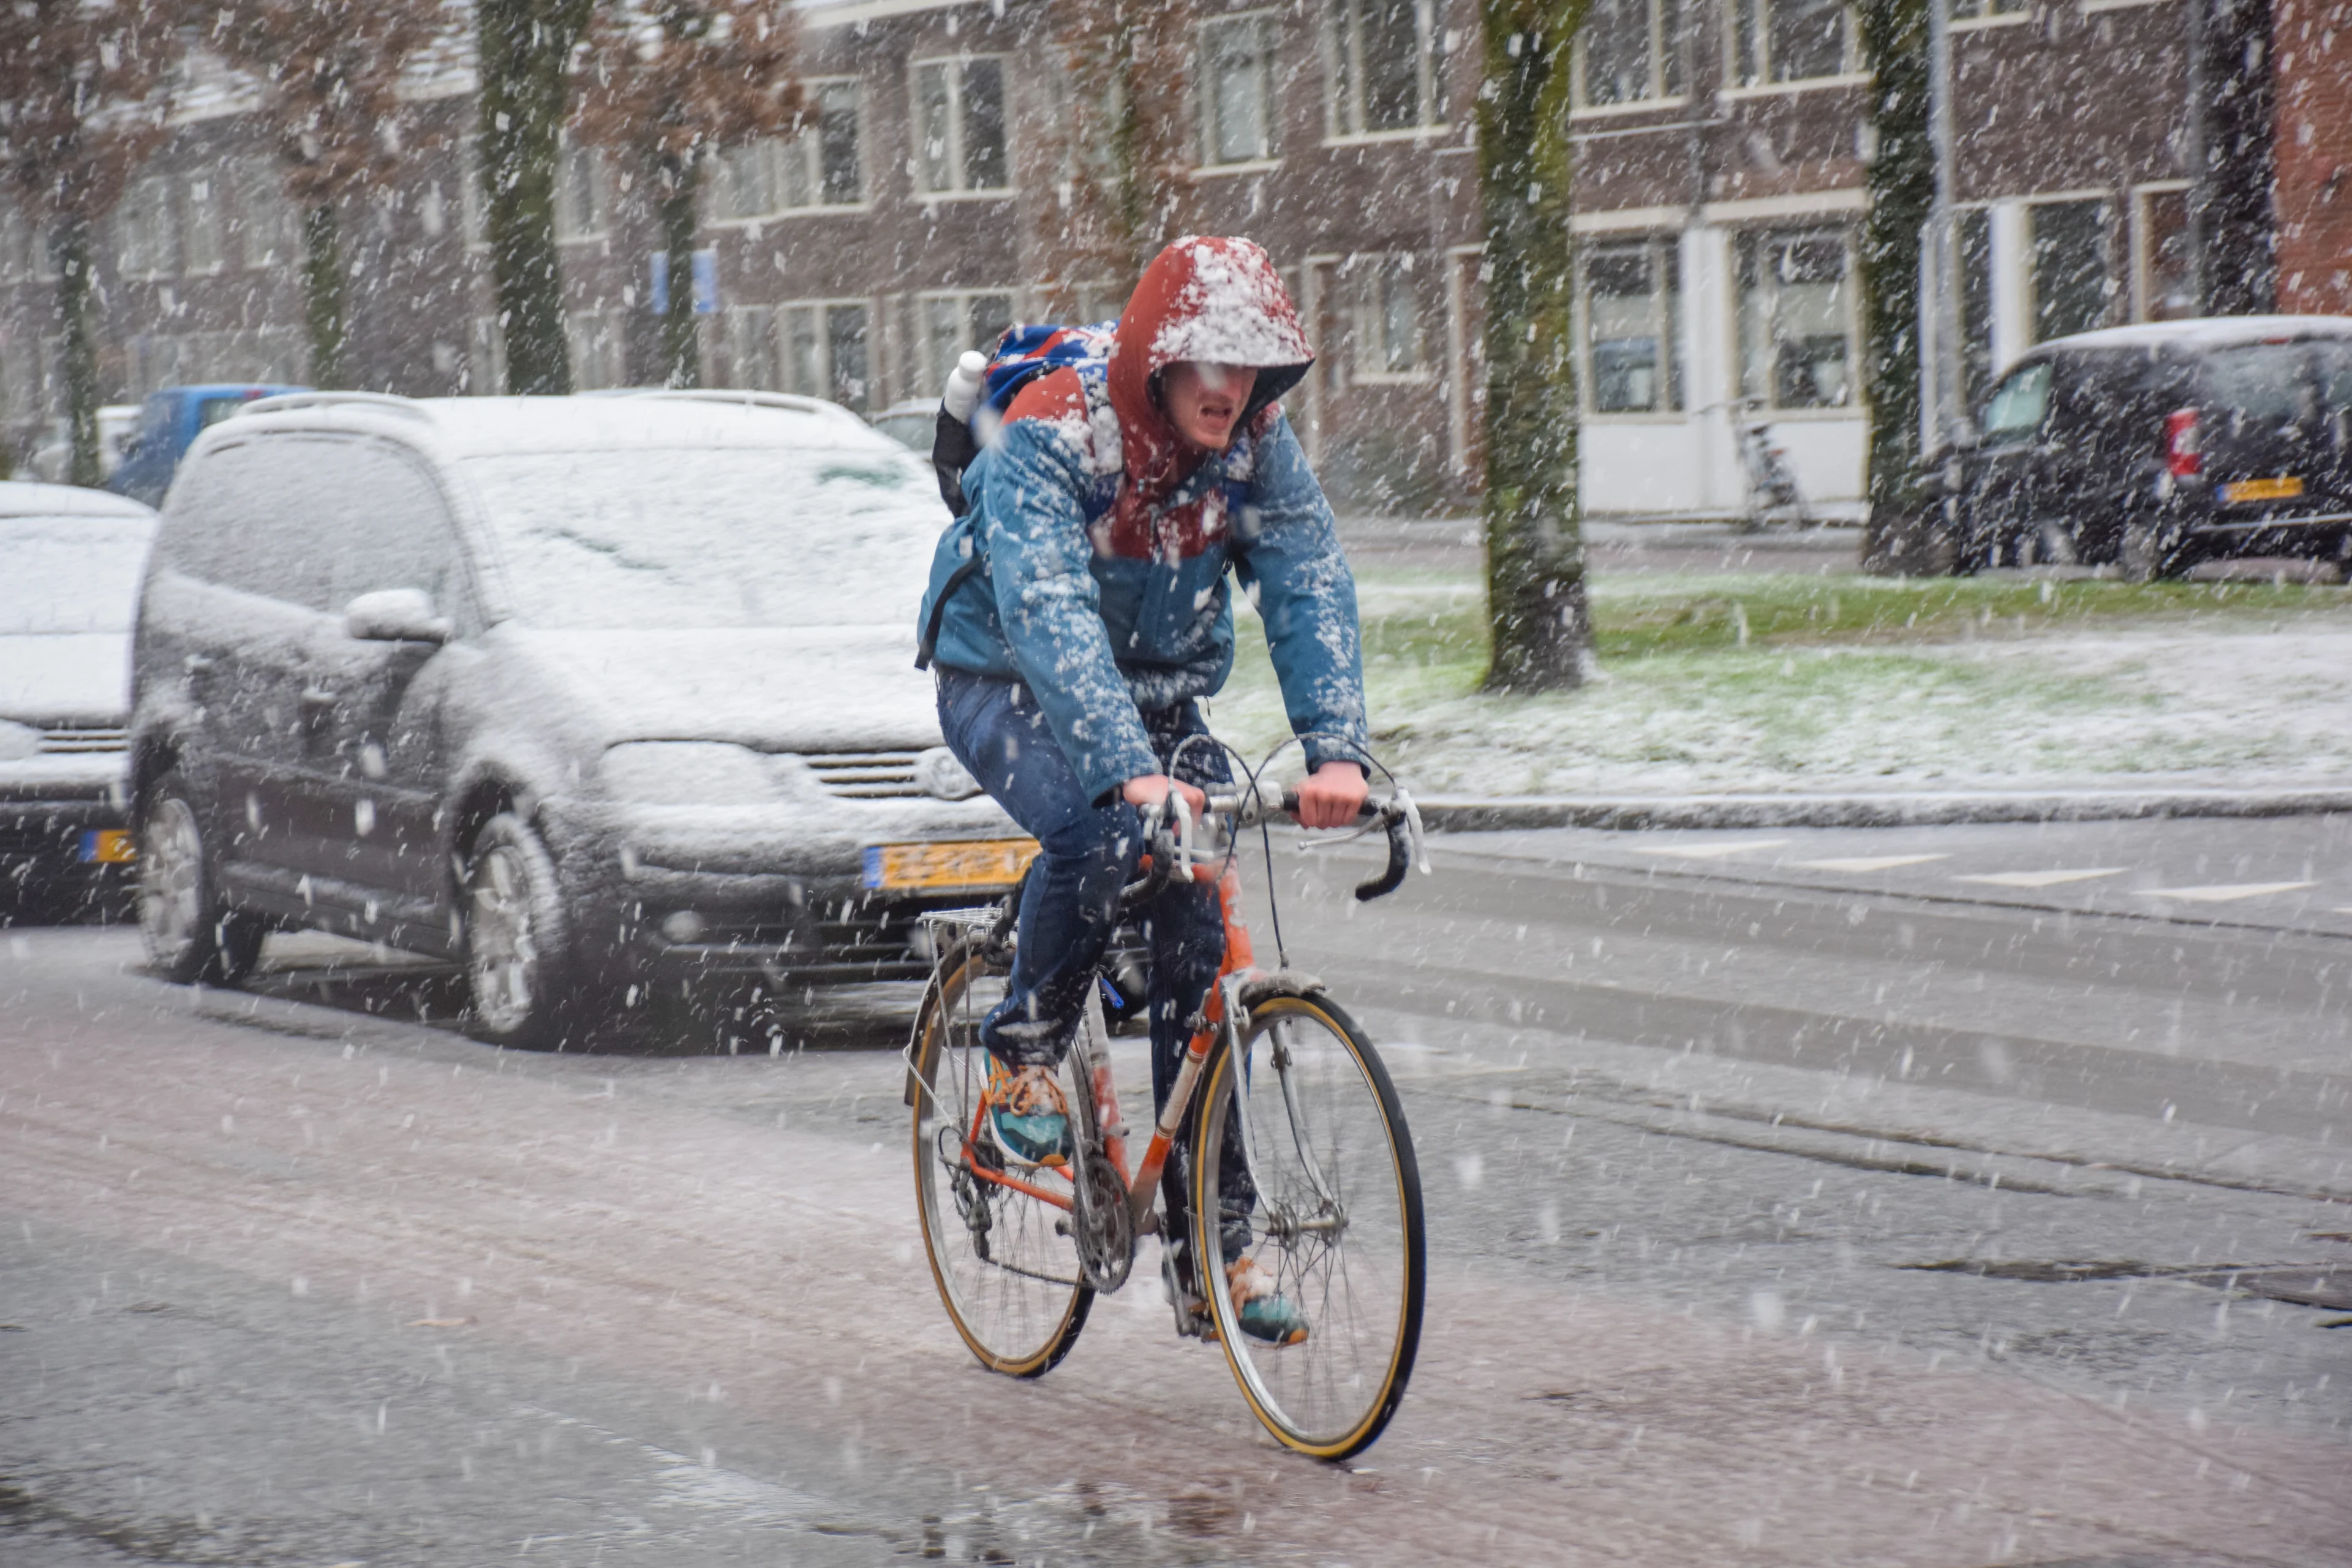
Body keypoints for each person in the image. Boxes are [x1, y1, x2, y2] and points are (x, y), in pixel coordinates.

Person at [918, 236, 1369, 1345]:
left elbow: (1306, 575)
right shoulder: (1057, 435)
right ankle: (1021, 1063)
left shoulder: (1258, 450)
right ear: (1157, 362)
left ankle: (1212, 1249)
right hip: (1002, 676)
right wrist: (1128, 775)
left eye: (1249, 364)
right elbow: (1050, 615)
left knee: (1196, 934)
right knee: (1102, 836)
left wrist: (1338, 749)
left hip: (1160, 697)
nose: (1228, 387)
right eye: (1204, 361)